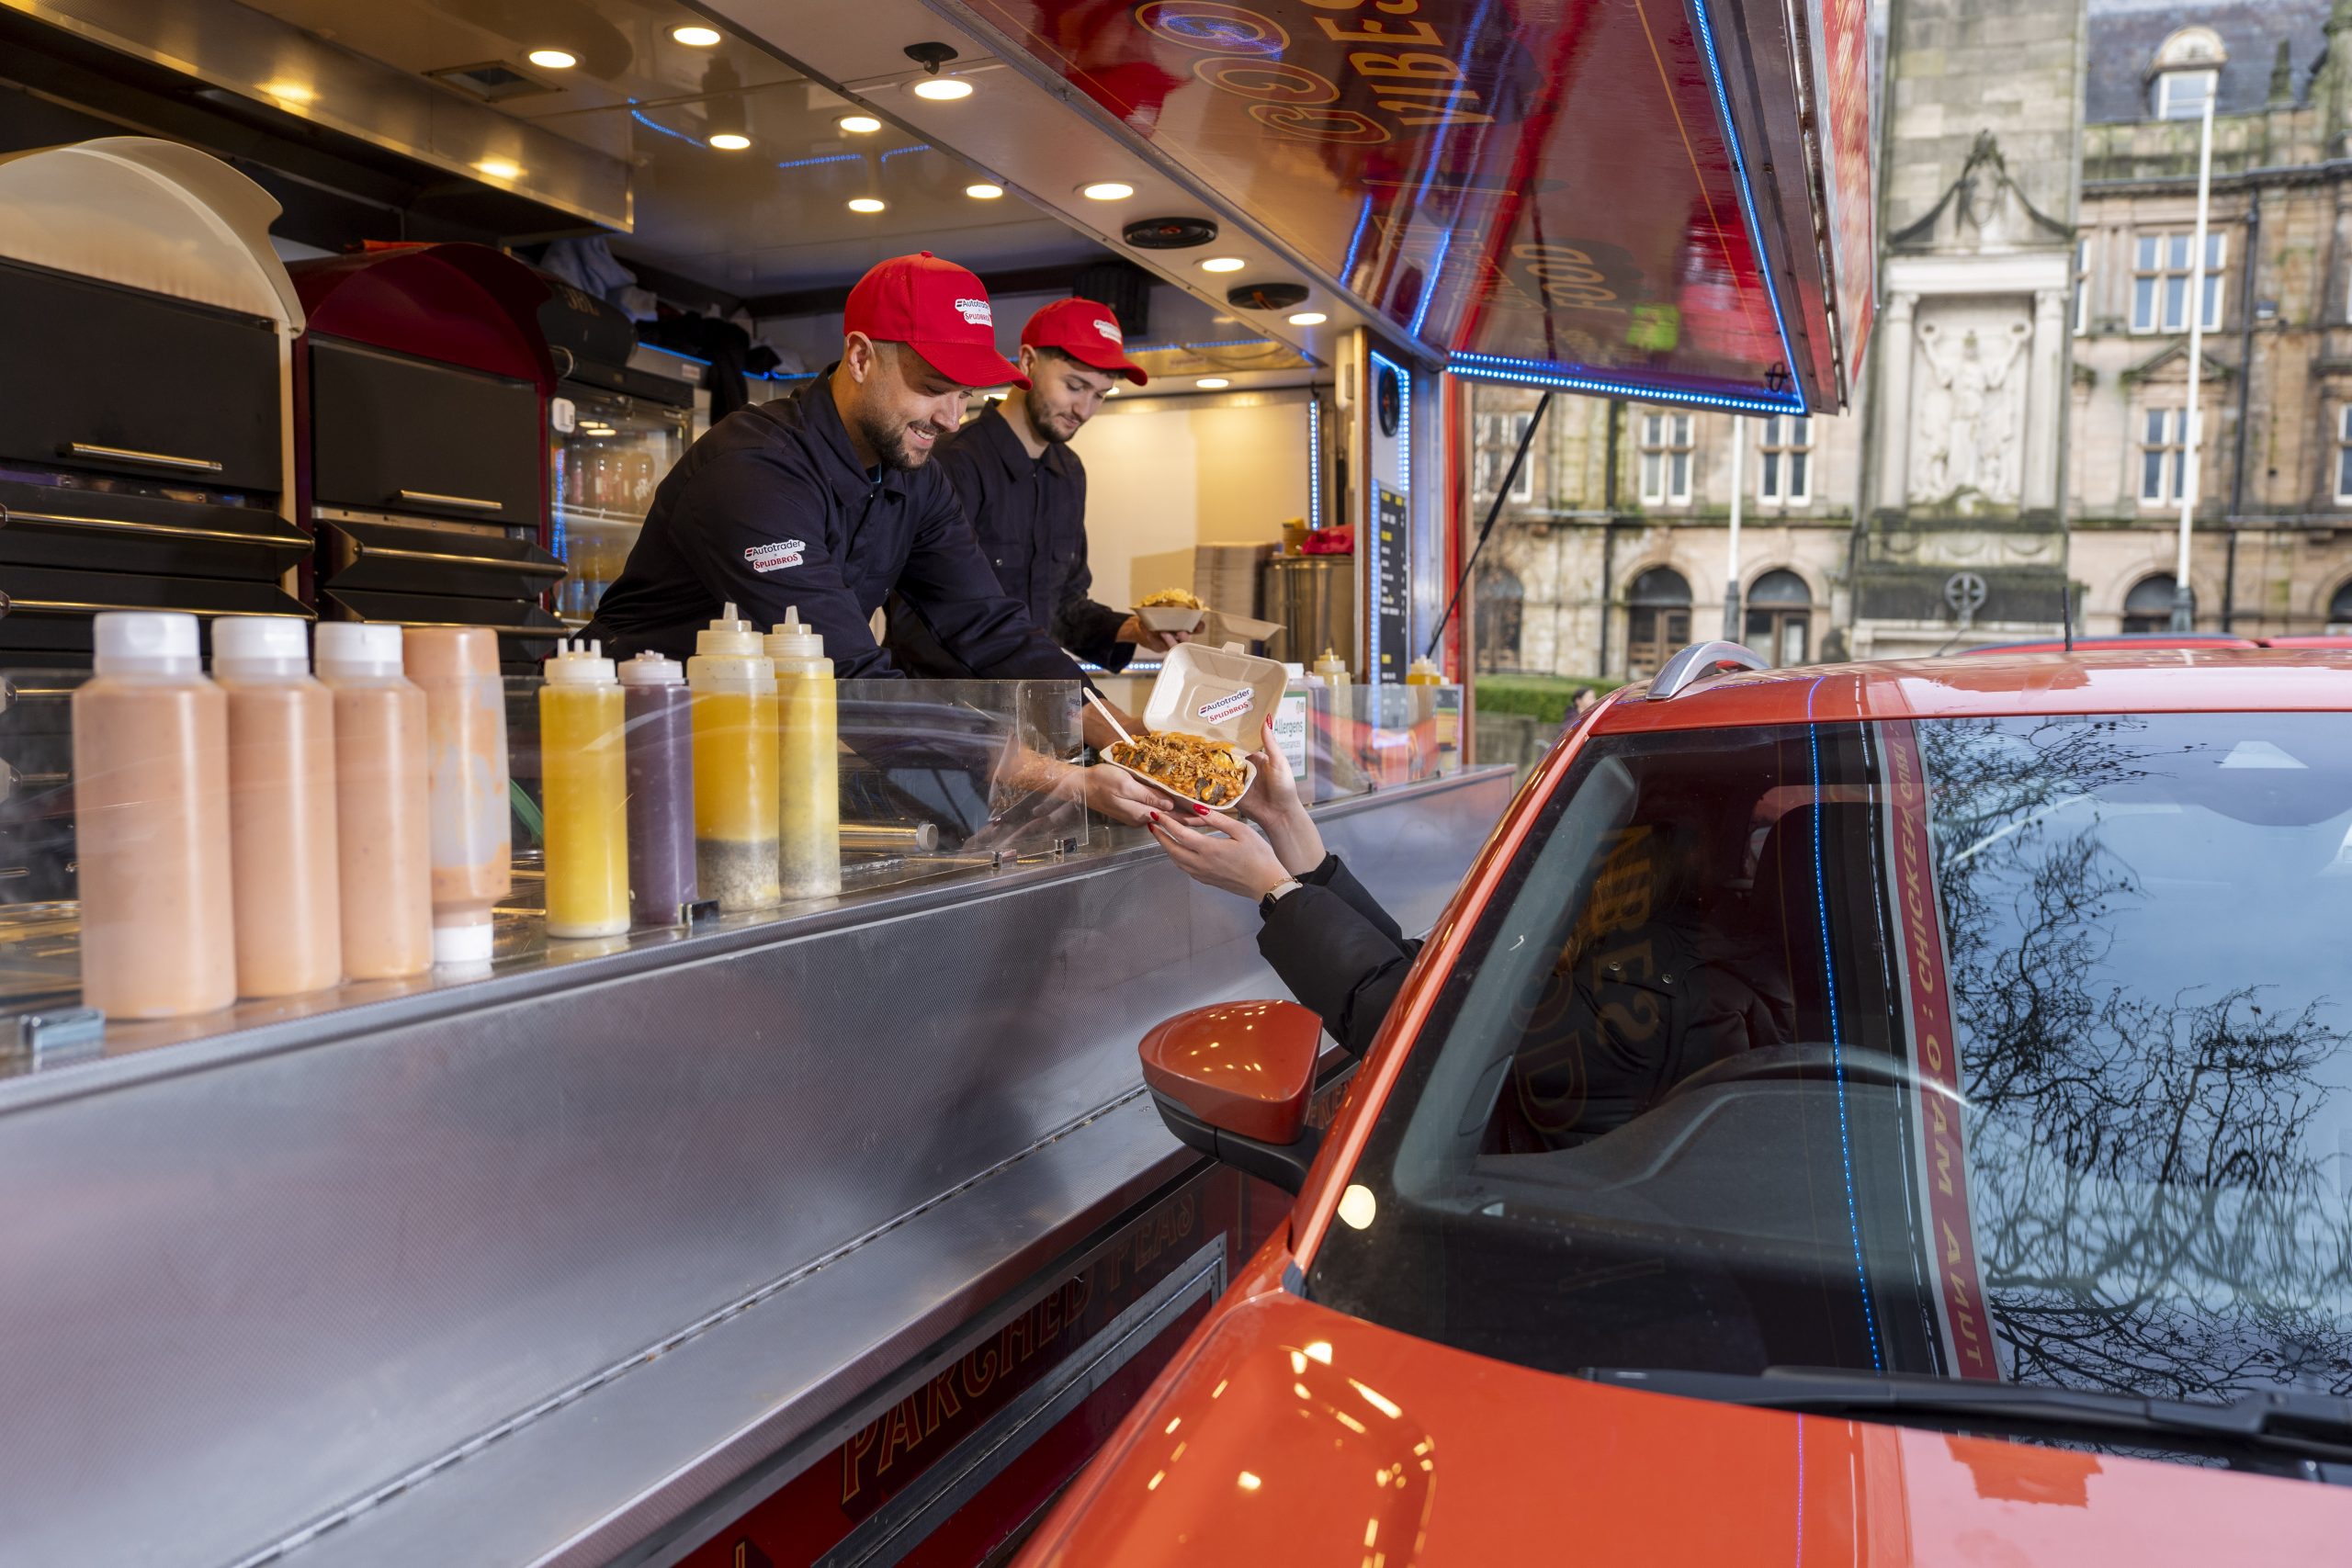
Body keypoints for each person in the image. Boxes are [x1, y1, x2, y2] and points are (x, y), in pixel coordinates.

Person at [587, 252, 1167, 822]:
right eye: (935, 386)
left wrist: (1133, 740)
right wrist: (1064, 778)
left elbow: (989, 625)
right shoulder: (753, 469)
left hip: (740, 763)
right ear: (861, 356)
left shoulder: (916, 477)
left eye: (964, 394)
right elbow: (841, 671)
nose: (949, 418)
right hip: (614, 758)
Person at [1148, 730, 1792, 1144]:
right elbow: (1434, 982)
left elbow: (1418, 1026)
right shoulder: (1696, 947)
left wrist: (1274, 890)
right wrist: (1288, 825)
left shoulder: (1643, 991)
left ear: (1619, 857)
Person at [887, 298, 1188, 677]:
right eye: (1075, 386)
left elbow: (1065, 607)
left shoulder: (1068, 472)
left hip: (1033, 705)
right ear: (1028, 362)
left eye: (1100, 394)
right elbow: (925, 617)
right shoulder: (951, 463)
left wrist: (1137, 630)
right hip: (943, 710)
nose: (1084, 410)